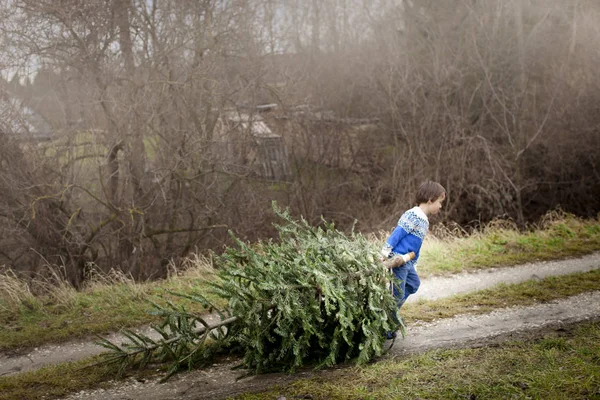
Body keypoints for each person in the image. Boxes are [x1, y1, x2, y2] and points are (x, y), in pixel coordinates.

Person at [381, 181, 446, 338]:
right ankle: (386, 324)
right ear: (430, 199)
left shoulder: (424, 219)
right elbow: (398, 233)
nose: (440, 206)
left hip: (408, 261)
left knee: (414, 284)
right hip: (399, 260)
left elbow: (416, 246)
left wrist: (414, 264)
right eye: (439, 202)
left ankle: (390, 312)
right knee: (397, 293)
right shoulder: (413, 215)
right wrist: (384, 251)